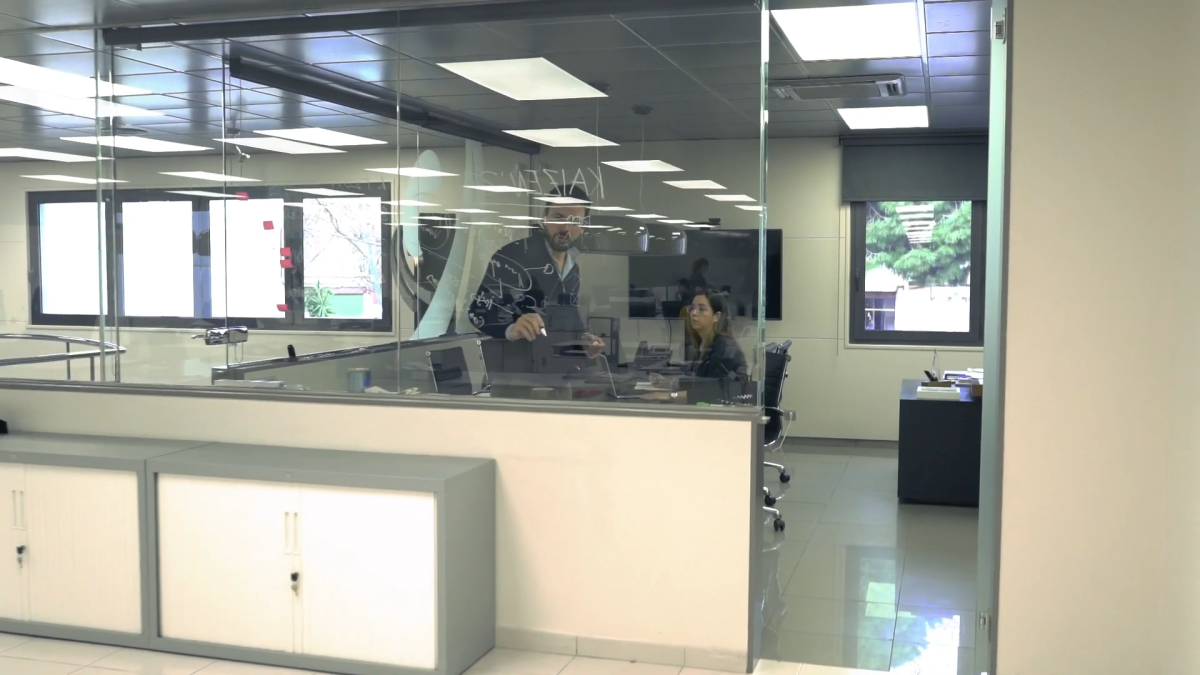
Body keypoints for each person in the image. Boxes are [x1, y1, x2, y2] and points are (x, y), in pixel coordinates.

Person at [467, 184, 604, 357]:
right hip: (514, 363)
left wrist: (583, 340)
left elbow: (568, 315)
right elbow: (479, 311)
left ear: (583, 226)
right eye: (558, 218)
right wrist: (510, 328)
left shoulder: (572, 267)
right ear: (544, 217)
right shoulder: (513, 255)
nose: (565, 228)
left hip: (556, 364)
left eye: (575, 221)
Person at [647, 290, 748, 403]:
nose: (694, 313)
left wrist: (668, 396)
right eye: (692, 308)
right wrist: (668, 383)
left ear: (716, 316)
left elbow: (713, 392)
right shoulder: (701, 344)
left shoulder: (725, 350)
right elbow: (700, 382)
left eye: (702, 309)